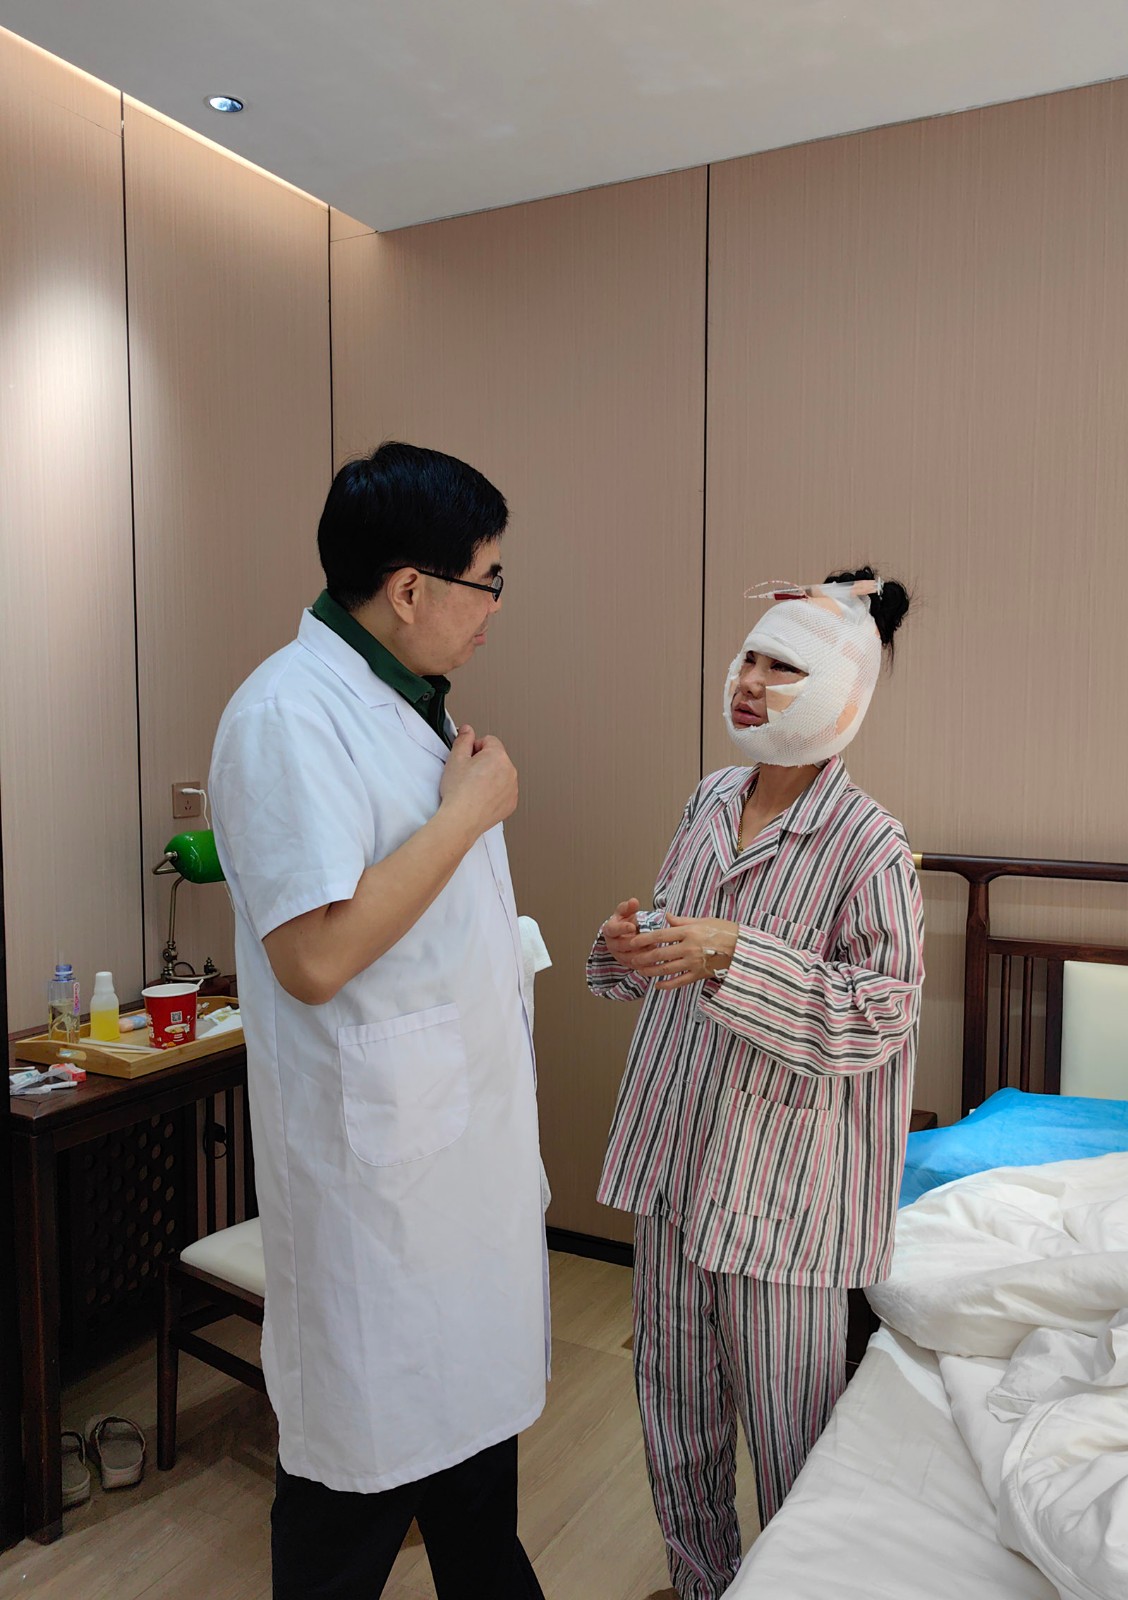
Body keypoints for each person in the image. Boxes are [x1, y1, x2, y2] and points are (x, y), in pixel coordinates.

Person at [209, 441, 548, 1600]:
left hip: (451, 1183)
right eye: (486, 581)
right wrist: (469, 814)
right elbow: (313, 956)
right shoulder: (285, 714)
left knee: (474, 1495)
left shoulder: (405, 710)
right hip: (379, 1207)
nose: (494, 608)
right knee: (350, 1512)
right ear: (410, 588)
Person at [587, 568, 924, 1600]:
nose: (750, 682)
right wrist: (629, 946)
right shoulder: (709, 799)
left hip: (783, 1193)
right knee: (674, 1414)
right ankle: (701, 1587)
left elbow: (882, 1012)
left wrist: (738, 954)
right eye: (749, 659)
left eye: (784, 667)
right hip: (674, 1158)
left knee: (793, 1438)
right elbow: (676, 943)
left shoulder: (871, 845)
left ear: (843, 690)